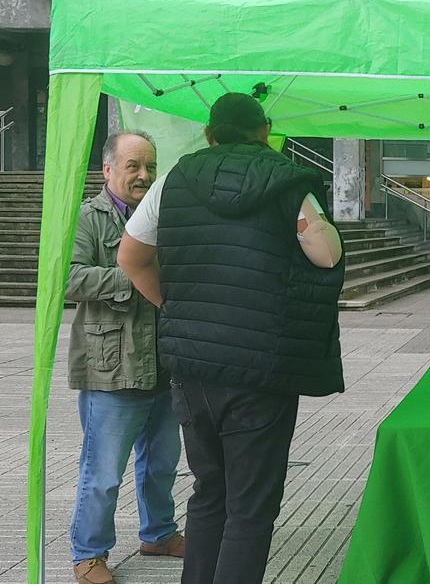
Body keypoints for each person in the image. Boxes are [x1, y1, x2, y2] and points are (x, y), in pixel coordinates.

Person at [117, 93, 345, 584]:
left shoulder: (173, 181)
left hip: (191, 367)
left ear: (208, 133)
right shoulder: (289, 184)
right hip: (260, 369)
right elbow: (324, 255)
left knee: (208, 492)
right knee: (251, 507)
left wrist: (177, 309)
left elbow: (131, 259)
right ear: (264, 131)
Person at [65, 131, 183, 584]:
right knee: (103, 472)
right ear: (107, 169)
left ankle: (159, 533)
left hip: (162, 362)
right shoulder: (86, 218)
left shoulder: (160, 216)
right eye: (133, 166)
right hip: (110, 366)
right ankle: (89, 553)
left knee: (161, 462)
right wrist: (130, 277)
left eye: (150, 167)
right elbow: (68, 278)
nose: (143, 175)